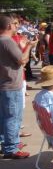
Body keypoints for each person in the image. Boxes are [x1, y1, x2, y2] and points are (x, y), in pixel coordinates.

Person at [0, 15, 37, 159]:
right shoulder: (7, 41)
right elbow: (22, 60)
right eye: (15, 25)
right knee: (12, 117)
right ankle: (11, 148)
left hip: (4, 83)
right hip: (11, 84)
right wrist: (28, 46)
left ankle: (6, 143)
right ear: (9, 26)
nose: (17, 27)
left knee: (4, 117)